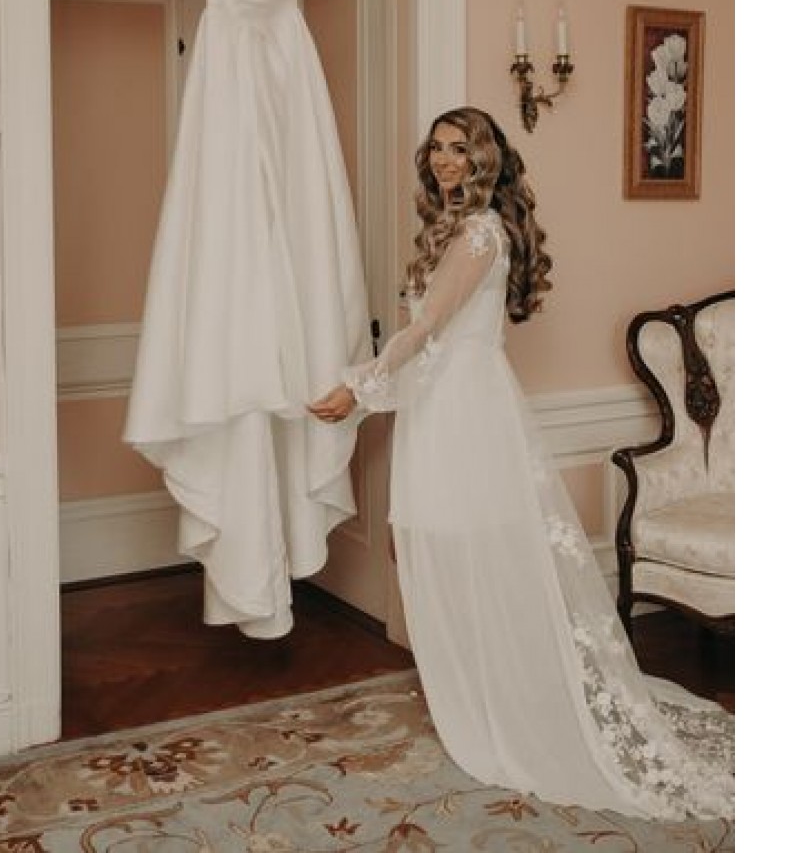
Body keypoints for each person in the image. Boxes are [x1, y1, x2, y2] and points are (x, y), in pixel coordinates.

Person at [309, 106, 733, 821]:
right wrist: (378, 394)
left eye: (459, 149)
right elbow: (433, 345)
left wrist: (357, 387)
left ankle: (500, 696)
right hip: (439, 407)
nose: (445, 160)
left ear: (485, 160)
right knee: (425, 541)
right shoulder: (456, 228)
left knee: (461, 542)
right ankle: (477, 686)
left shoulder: (481, 231)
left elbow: (428, 329)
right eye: (437, 148)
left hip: (465, 412)